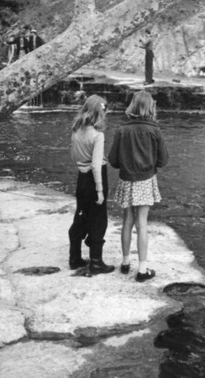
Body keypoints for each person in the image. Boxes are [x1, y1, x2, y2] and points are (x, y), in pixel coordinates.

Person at [108, 91, 169, 282]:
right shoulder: (155, 130)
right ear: (150, 107)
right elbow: (163, 160)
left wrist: (126, 164)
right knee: (142, 223)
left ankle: (125, 263)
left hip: (126, 179)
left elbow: (113, 160)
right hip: (145, 179)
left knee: (127, 219)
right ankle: (142, 270)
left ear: (133, 106)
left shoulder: (122, 130)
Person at [68, 95, 115, 275]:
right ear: (99, 112)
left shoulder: (76, 130)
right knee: (98, 219)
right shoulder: (98, 135)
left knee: (81, 215)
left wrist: (83, 165)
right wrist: (100, 190)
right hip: (95, 180)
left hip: (81, 178)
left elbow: (74, 156)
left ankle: (75, 258)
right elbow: (96, 164)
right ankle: (96, 262)